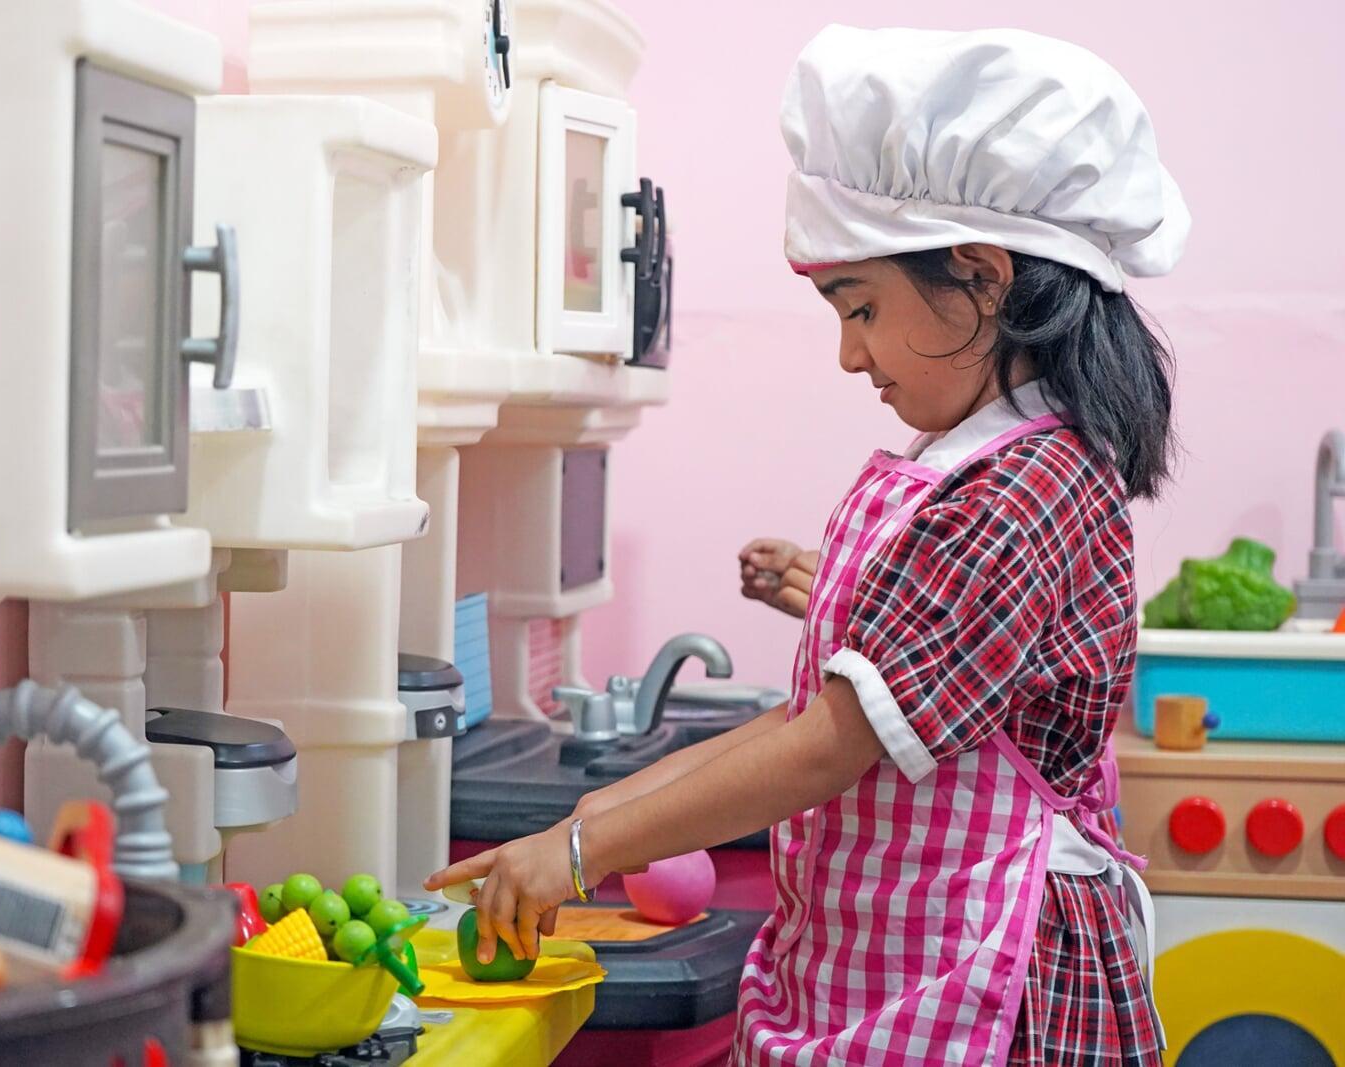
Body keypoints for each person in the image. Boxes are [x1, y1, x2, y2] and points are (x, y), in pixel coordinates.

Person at [429, 23, 1185, 1065]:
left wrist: (581, 847)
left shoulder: (1023, 488)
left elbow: (829, 743)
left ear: (982, 275)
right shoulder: (970, 464)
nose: (848, 354)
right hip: (911, 955)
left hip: (993, 979)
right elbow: (814, 714)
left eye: (861, 308)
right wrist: (593, 817)